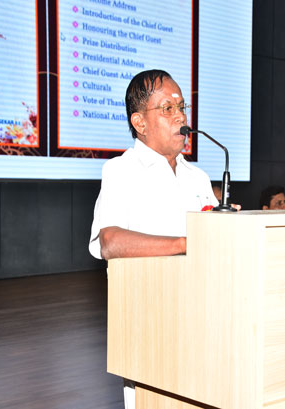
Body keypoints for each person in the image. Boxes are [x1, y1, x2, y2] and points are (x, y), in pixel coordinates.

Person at [88, 69, 220, 409]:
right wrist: (185, 243)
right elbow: (110, 242)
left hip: (203, 317)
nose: (180, 116)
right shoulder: (121, 170)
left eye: (182, 107)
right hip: (149, 324)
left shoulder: (199, 177)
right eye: (167, 108)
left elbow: (215, 241)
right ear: (139, 122)